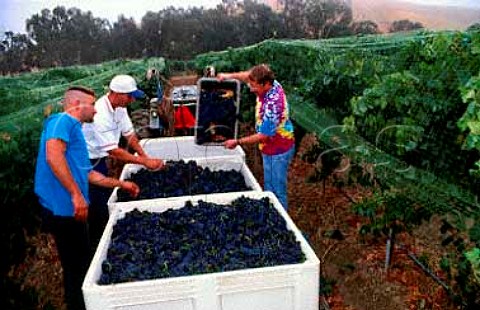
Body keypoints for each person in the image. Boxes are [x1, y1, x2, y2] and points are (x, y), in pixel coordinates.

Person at [34, 86, 140, 310]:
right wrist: (76, 195)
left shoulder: (76, 132)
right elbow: (53, 155)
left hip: (70, 210)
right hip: (62, 210)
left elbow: (89, 175)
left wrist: (121, 184)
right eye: (92, 105)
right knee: (77, 269)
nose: (96, 110)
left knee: (82, 264)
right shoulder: (61, 121)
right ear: (75, 105)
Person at [82, 74, 165, 251]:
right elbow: (113, 151)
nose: (132, 99)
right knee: (97, 205)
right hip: (87, 162)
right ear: (117, 93)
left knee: (104, 198)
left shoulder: (119, 108)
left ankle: (103, 233)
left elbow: (130, 135)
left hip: (100, 159)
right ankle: (97, 246)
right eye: (129, 96)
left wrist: (145, 157)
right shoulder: (100, 113)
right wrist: (144, 162)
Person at [218, 64, 295, 210]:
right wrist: (227, 76)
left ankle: (283, 222)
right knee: (269, 187)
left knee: (277, 192)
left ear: (265, 84)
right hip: (269, 148)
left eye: (254, 86)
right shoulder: (267, 81)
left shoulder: (273, 104)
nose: (251, 89)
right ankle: (271, 212)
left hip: (278, 149)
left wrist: (238, 142)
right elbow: (248, 75)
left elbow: (264, 136)